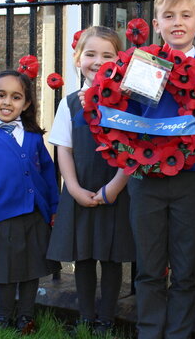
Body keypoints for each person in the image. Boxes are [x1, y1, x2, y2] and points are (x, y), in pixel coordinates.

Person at [127, 0, 195, 339]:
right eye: (169, 16)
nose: (178, 23)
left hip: (190, 180)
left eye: (186, 16)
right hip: (146, 179)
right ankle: (150, 331)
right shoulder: (141, 66)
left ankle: (179, 333)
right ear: (156, 23)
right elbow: (126, 119)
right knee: (149, 266)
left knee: (185, 266)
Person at [47, 26, 135, 335]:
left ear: (119, 60)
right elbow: (64, 148)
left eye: (107, 55)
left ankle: (107, 319)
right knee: (83, 255)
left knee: (111, 256)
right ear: (77, 58)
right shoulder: (69, 103)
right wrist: (72, 188)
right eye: (91, 54)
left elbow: (134, 149)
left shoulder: (128, 101)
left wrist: (113, 188)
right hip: (81, 188)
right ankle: (86, 317)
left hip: (115, 188)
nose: (98, 61)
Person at [0, 69, 59, 335]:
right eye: (1, 95)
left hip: (35, 215)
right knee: (6, 271)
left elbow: (48, 175)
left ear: (26, 104)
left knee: (31, 270)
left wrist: (55, 208)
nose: (7, 102)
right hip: (5, 216)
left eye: (16, 97)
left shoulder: (32, 138)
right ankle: (4, 316)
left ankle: (26, 316)